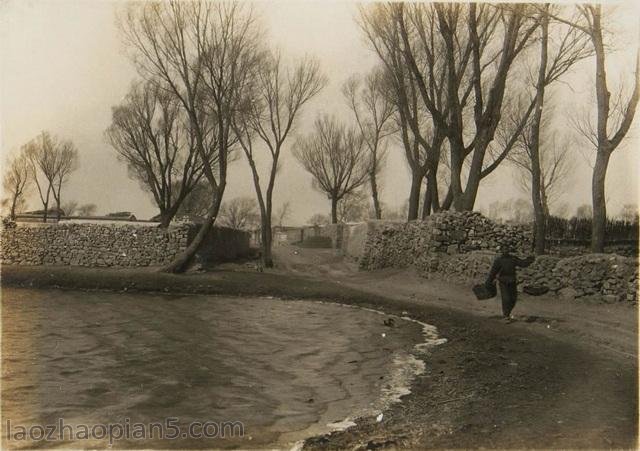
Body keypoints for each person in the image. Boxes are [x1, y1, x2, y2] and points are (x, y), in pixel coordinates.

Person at [486, 244, 534, 322]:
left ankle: (507, 313)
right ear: (501, 251)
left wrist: (530, 259)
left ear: (509, 250)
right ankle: (506, 316)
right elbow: (493, 272)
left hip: (512, 281)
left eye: (507, 249)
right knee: (506, 299)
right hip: (503, 282)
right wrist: (488, 282)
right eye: (504, 249)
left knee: (513, 299)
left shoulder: (513, 259)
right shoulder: (498, 261)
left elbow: (522, 263)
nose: (506, 251)